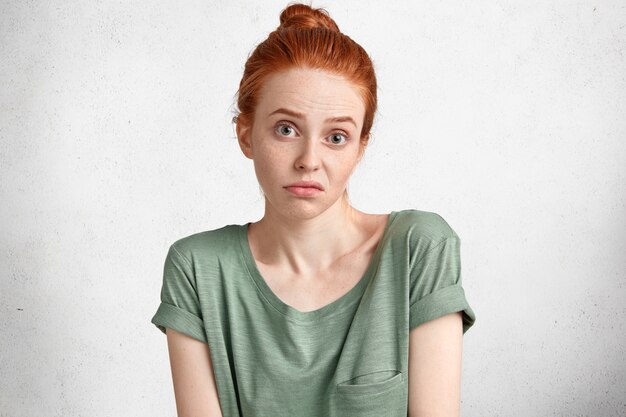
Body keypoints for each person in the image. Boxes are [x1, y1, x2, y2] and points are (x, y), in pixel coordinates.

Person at [151, 3, 476, 417]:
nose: (309, 159)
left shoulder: (419, 250)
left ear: (361, 147)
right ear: (246, 134)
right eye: (286, 129)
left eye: (336, 137)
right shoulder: (197, 268)